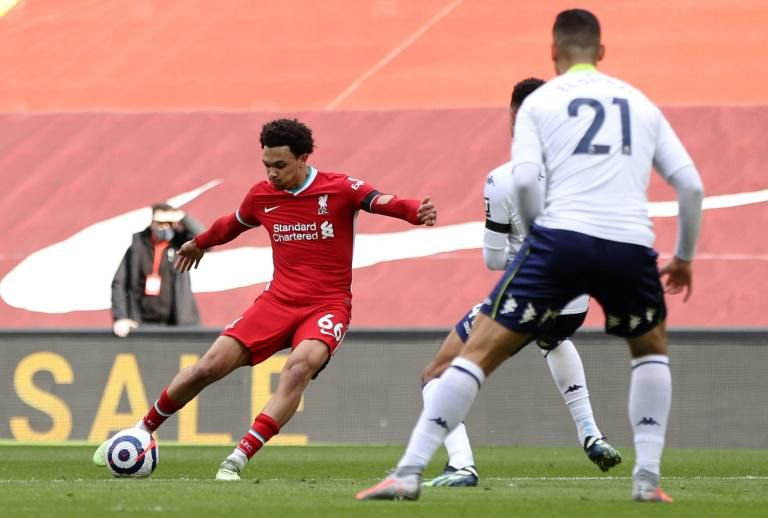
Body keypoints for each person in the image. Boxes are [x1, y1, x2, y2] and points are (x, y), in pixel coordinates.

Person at [357, 8, 703, 503]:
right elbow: (690, 186)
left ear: (553, 53)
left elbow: (521, 179)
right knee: (649, 353)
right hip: (629, 242)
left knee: (472, 356)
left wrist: (541, 238)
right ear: (602, 52)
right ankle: (647, 481)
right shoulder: (639, 103)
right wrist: (684, 257)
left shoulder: (541, 106)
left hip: (561, 242)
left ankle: (410, 471)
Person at [94, 118, 437, 480]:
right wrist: (199, 243)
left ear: (304, 158)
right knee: (208, 366)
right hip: (277, 302)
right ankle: (141, 429)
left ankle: (237, 458)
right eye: (266, 165)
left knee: (298, 368)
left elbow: (380, 200)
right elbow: (232, 223)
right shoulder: (262, 196)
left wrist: (414, 211)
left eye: (280, 165)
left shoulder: (338, 188)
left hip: (327, 306)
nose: (272, 174)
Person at [422, 78, 620, 489]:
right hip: (575, 305)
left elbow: (494, 259)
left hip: (525, 299)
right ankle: (591, 435)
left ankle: (462, 465)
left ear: (516, 117)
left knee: (437, 374)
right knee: (553, 340)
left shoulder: (503, 179)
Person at [111, 203, 203, 337]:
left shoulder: (181, 245)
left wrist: (182, 217)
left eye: (169, 223)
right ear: (152, 223)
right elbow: (119, 284)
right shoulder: (138, 246)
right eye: (160, 223)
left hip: (178, 324)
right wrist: (121, 317)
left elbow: (205, 240)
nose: (165, 227)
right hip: (141, 324)